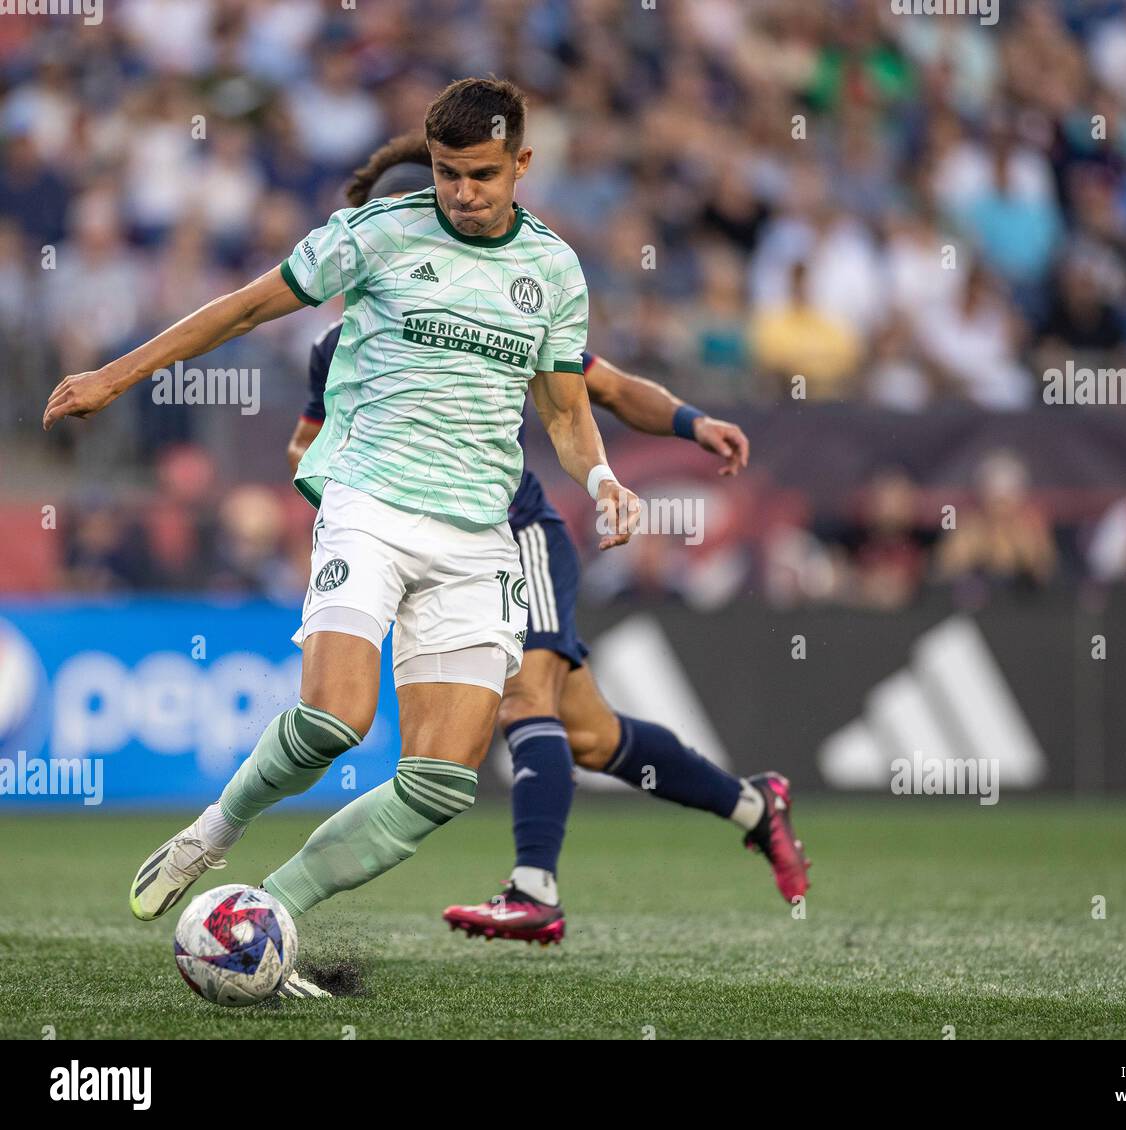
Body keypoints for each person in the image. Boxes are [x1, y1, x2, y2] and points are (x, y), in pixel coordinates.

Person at [44, 78, 640, 995]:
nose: (462, 192)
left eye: (482, 175)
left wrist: (600, 477)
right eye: (446, 173)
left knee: (441, 784)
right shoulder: (377, 234)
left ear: (522, 164)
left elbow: (563, 410)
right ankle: (212, 833)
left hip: (477, 534)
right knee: (333, 720)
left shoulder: (555, 272)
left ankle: (268, 914)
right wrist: (116, 377)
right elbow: (244, 307)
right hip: (370, 502)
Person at [288, 136, 811, 946]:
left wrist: (690, 421)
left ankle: (534, 889)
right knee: (595, 738)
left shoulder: (501, 302)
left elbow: (601, 389)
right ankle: (754, 805)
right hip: (417, 542)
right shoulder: (335, 351)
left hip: (513, 530)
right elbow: (304, 447)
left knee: (526, 700)